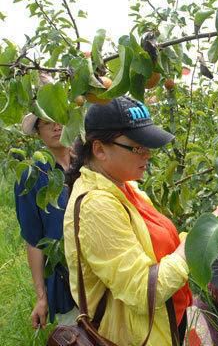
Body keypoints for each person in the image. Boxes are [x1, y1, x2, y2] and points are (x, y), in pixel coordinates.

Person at [64, 96, 192, 345]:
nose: (147, 155)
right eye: (137, 147)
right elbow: (144, 291)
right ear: (99, 149)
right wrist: (193, 245)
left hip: (162, 327)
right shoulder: (97, 206)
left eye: (148, 146)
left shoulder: (125, 187)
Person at [14, 113, 78, 329]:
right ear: (38, 132)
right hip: (65, 280)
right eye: (47, 123)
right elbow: (34, 239)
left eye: (60, 118)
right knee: (77, 336)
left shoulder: (88, 162)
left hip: (103, 273)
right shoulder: (32, 175)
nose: (56, 126)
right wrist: (41, 296)